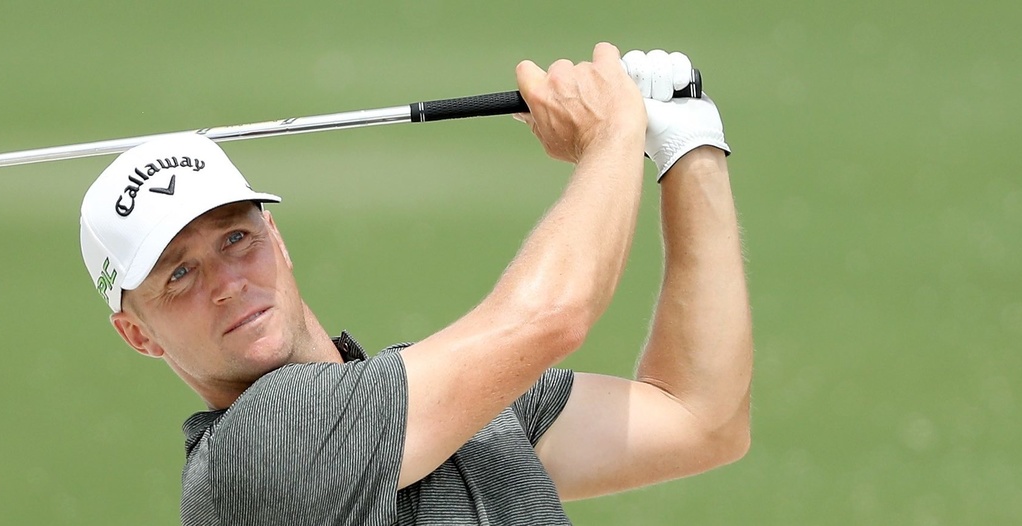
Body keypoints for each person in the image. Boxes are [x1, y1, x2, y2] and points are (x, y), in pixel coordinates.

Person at [77, 42, 751, 525]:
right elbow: (553, 315)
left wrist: (688, 147)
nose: (225, 282)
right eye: (179, 273)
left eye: (235, 238)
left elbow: (702, 419)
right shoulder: (257, 454)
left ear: (276, 240)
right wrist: (613, 133)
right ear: (138, 333)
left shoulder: (448, 401)